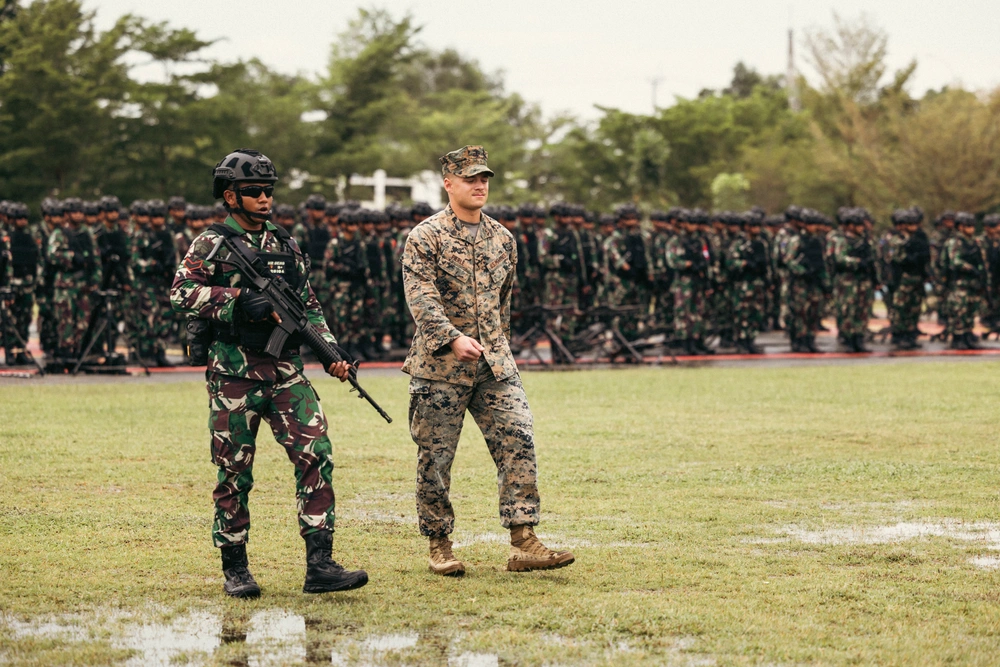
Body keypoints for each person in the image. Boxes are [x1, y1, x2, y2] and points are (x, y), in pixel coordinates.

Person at [170, 148, 367, 598]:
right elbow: (182, 292)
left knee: (316, 455)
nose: (264, 199)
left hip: (286, 373)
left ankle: (320, 565)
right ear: (229, 196)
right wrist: (237, 301)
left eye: (268, 191)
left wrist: (331, 351)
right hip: (234, 374)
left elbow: (307, 306)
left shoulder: (287, 244)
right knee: (234, 472)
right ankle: (235, 569)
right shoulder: (211, 243)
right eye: (253, 191)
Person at [401, 145, 574, 577]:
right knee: (436, 458)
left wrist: (500, 349)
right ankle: (439, 544)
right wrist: (451, 338)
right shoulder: (426, 236)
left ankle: (523, 539)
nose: (480, 185)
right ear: (448, 183)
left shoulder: (503, 238)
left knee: (518, 438)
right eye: (470, 178)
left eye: (485, 179)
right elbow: (421, 298)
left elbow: (504, 304)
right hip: (440, 367)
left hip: (495, 365)